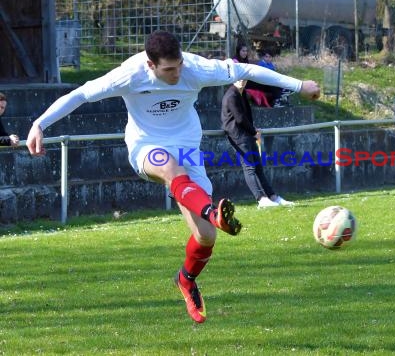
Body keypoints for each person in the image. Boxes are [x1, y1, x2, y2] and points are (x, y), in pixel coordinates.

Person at [26, 30, 320, 324]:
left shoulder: (194, 67)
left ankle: (186, 279)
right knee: (170, 169)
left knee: (206, 237)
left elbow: (246, 69)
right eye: (169, 69)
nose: (177, 72)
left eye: (178, 64)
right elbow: (80, 94)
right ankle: (211, 209)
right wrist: (40, 124)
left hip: (188, 149)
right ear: (150, 65)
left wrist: (299, 85)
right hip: (146, 147)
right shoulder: (130, 74)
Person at [221, 79, 294, 208]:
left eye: (244, 78)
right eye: (239, 78)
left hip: (247, 134)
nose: (242, 81)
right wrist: (254, 131)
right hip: (238, 136)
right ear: (233, 79)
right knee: (250, 168)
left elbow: (246, 116)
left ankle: (273, 197)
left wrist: (253, 131)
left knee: (258, 168)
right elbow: (239, 118)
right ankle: (261, 199)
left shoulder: (241, 93)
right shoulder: (232, 95)